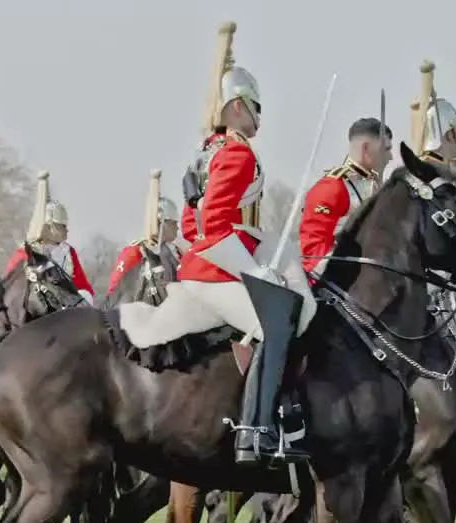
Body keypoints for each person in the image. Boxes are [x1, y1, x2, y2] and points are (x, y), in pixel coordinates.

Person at [174, 60, 313, 467]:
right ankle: (257, 429)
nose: (259, 116)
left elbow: (191, 223)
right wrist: (251, 269)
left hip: (206, 261)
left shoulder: (207, 153)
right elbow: (216, 224)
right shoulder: (235, 153)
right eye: (254, 106)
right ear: (236, 106)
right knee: (277, 320)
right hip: (217, 265)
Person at [298, 118, 393, 276]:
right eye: (386, 149)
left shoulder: (376, 186)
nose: (390, 157)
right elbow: (314, 255)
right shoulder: (332, 187)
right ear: (366, 148)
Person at [5, 198, 96, 305]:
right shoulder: (24, 253)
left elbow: (83, 286)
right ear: (48, 226)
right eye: (62, 226)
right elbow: (8, 288)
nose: (67, 230)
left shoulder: (69, 252)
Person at [107, 196, 181, 295]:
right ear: (162, 222)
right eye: (174, 223)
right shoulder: (135, 252)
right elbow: (115, 291)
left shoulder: (176, 252)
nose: (177, 227)